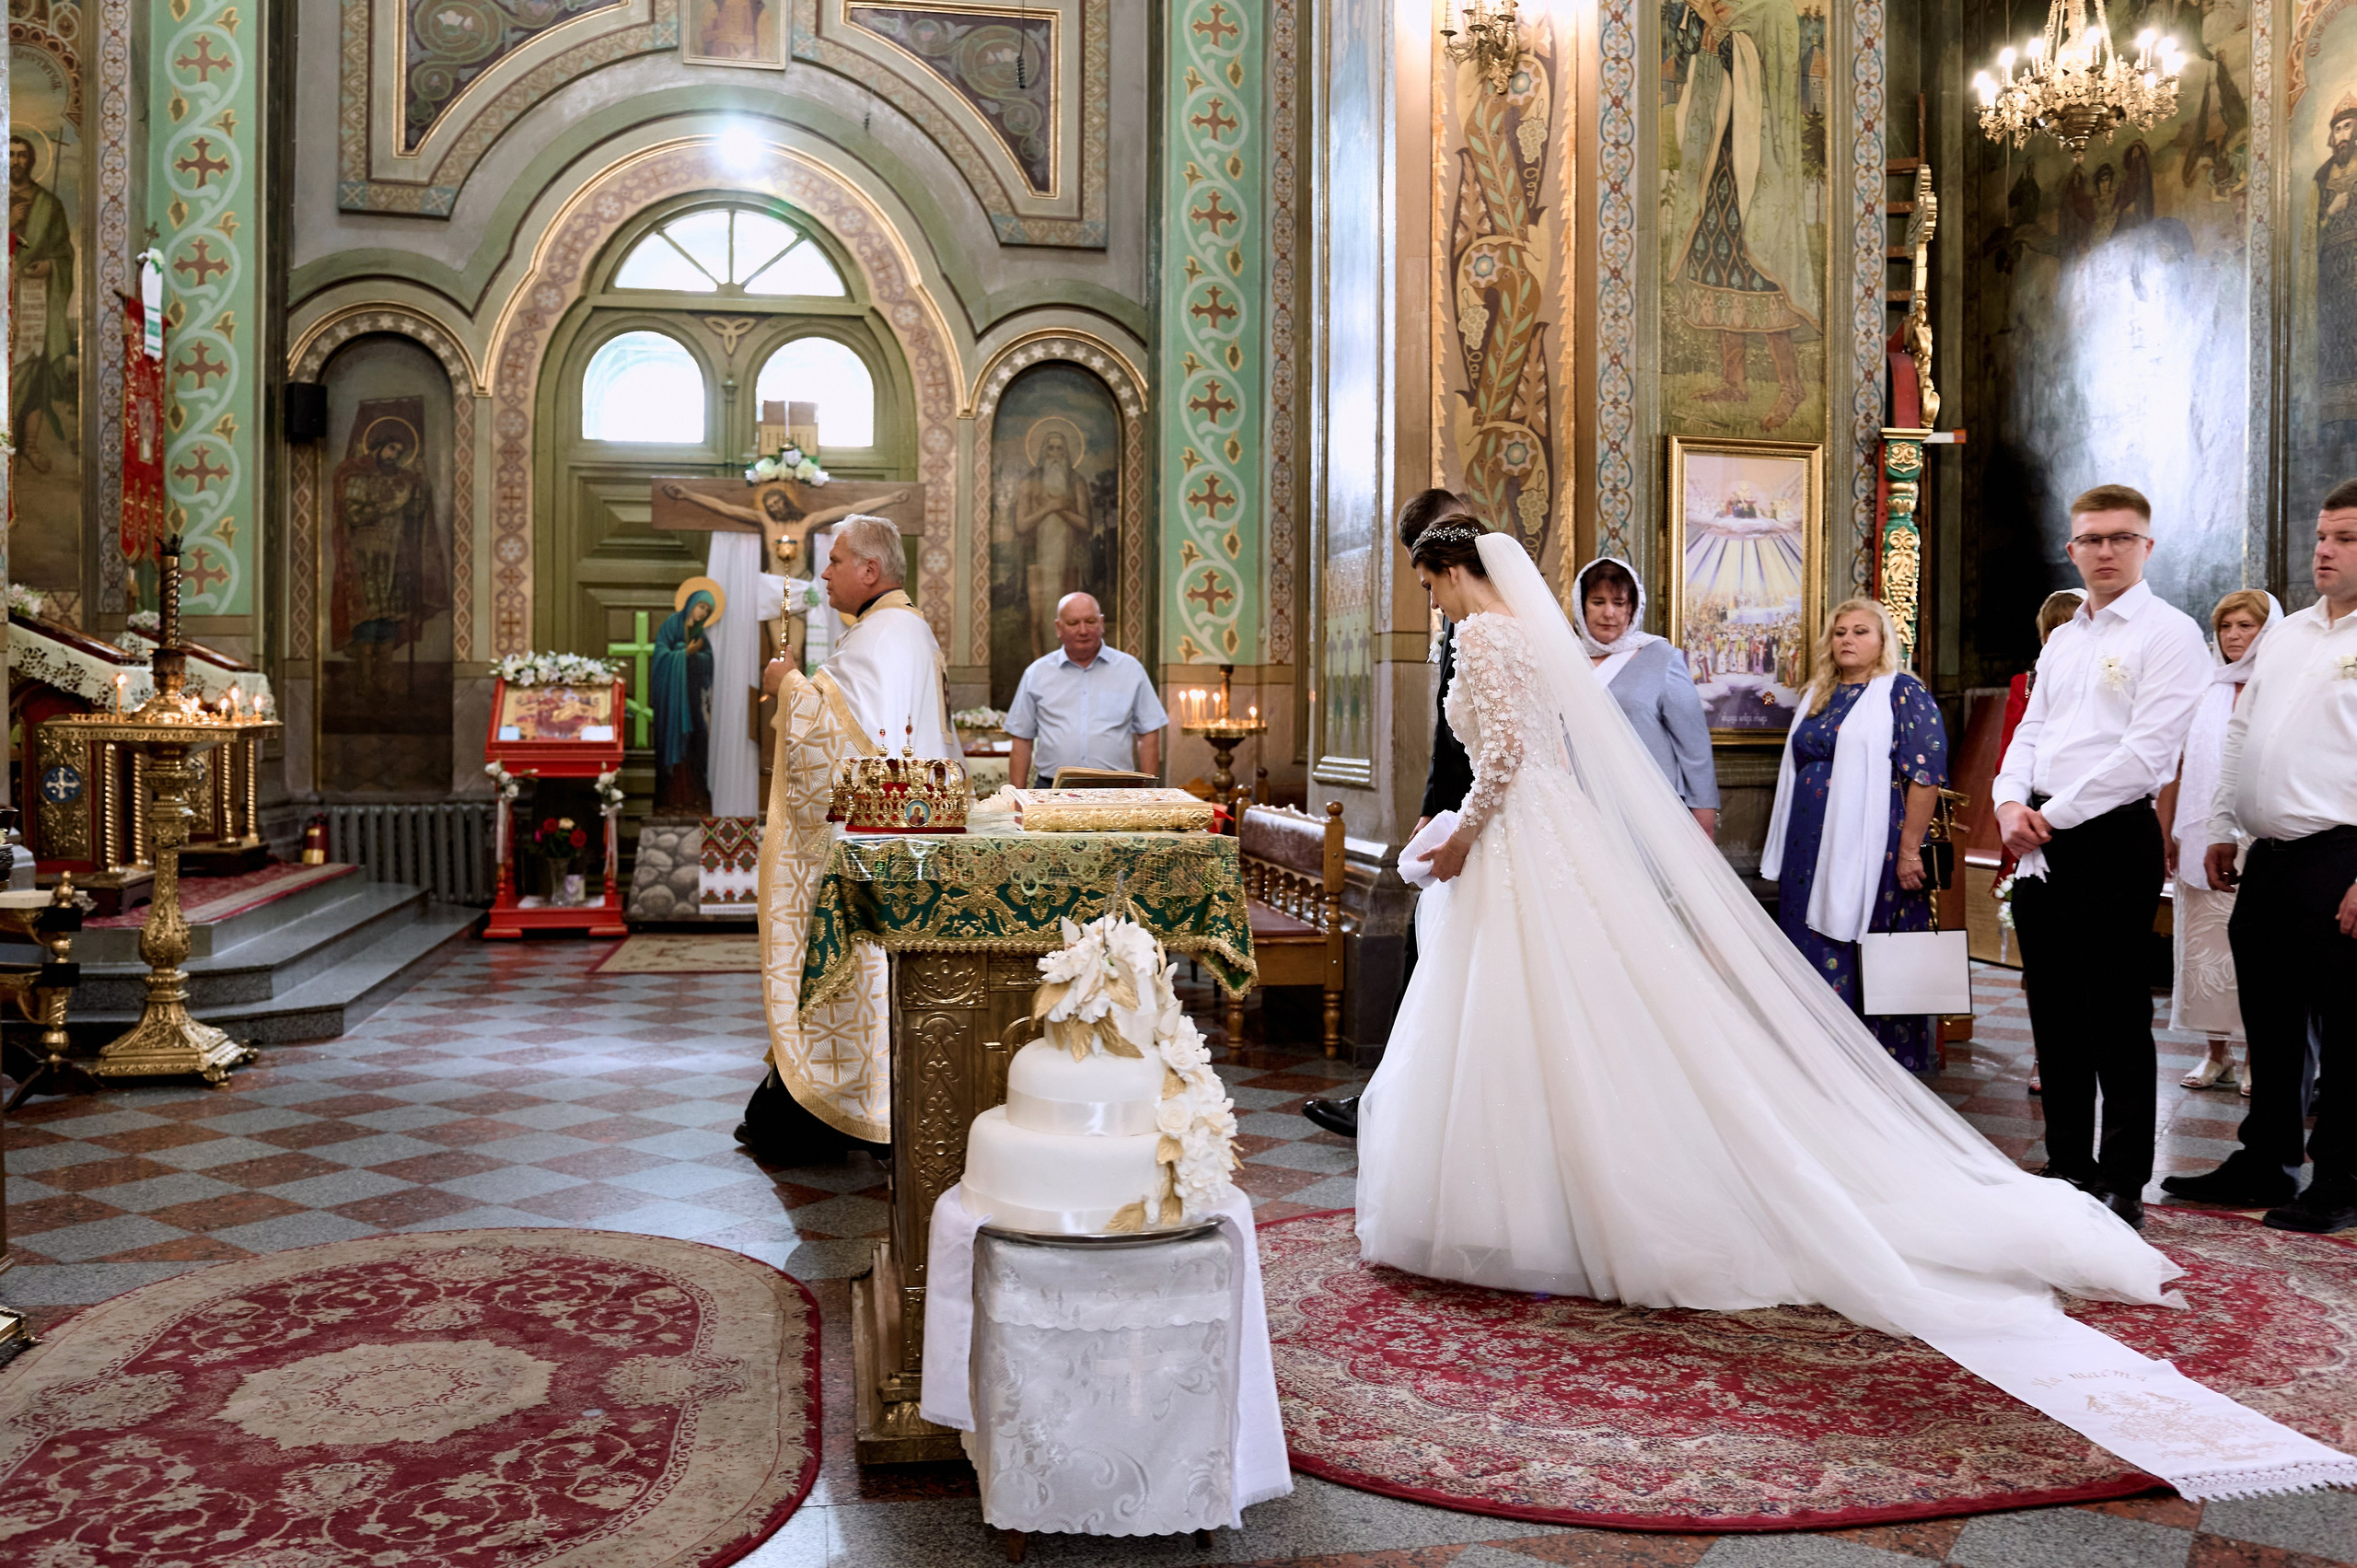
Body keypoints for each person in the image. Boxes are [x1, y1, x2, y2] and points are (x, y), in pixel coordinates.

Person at [1352, 523, 2186, 1370]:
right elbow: (1545, 756)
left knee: (1521, 1009)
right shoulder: (1533, 635)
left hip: (1514, 834)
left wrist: (1459, 839)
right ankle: (1556, 1196)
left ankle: (1520, 1204)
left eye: (1430, 584)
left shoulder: (1484, 635)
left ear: (1451, 569)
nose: (1433, 602)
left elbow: (1500, 760)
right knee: (1567, 1005)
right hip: (1550, 829)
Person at [1994, 484, 2210, 1230]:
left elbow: (2146, 754)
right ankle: (2066, 1162)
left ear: (2147, 546)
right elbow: (2029, 731)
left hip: (2111, 836)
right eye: (2092, 538)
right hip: (2039, 838)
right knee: (2053, 1011)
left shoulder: (2170, 633)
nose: (2106, 550)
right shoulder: (2063, 638)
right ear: (2073, 549)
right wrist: (2007, 803)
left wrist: (2044, 818)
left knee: (2116, 1014)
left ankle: (2122, 1176)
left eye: (2121, 538)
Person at [2162, 490, 2357, 1235]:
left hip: (2343, 853)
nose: (2324, 550)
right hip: (2269, 856)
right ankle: (2267, 1159)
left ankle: (2343, 1177)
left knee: (2347, 1028)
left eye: (2345, 538)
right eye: (2322, 535)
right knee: (2271, 1020)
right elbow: (2241, 732)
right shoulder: (2291, 633)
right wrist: (2221, 825)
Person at [741, 515, 957, 1163]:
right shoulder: (905, 628)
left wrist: (787, 686)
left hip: (871, 840)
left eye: (835, 560)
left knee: (859, 974)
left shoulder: (883, 635)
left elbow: (838, 746)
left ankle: (847, 1109)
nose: (825, 573)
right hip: (904, 833)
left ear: (870, 569)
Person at [1303, 488, 1475, 1140]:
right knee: (1432, 955)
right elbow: (1448, 731)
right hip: (1463, 811)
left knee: (1431, 955)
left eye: (1426, 578)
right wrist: (1433, 807)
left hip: (1478, 819)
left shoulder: (1482, 621)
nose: (1428, 597)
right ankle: (1395, 1102)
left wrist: (1447, 816)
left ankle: (1396, 1107)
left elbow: (1475, 743)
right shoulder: (1476, 611)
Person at [1760, 598, 1949, 1071]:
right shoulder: (1818, 694)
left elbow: (1925, 775)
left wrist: (1910, 851)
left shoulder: (1902, 692)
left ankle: (1875, 1063)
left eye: (1861, 631)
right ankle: (1815, 1056)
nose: (1848, 639)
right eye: (1840, 632)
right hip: (1808, 844)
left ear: (1883, 641)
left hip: (1875, 844)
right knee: (1808, 936)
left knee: (1871, 940)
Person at [2154, 589, 2280, 1097]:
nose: (2233, 636)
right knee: (2206, 950)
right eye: (2225, 626)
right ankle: (2216, 1054)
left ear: (2268, 631)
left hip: (2258, 835)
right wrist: (2166, 831)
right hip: (2199, 834)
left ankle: (2255, 1056)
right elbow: (2175, 764)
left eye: (2245, 626)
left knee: (2259, 950)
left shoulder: (2279, 685)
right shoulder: (2203, 687)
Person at [1999, 587, 2086, 1096]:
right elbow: (2012, 749)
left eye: (2068, 625)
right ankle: (2044, 1053)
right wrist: (2011, 810)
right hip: (2026, 823)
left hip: (2081, 819)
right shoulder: (2026, 683)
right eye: (2051, 629)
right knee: (2042, 960)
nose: (2059, 636)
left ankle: (2085, 1052)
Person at [1569, 557, 1718, 836]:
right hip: (1580, 805)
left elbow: (1694, 747)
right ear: (1581, 604)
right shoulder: (1562, 657)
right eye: (1598, 602)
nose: (1609, 613)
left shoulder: (1662, 658)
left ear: (1633, 608)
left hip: (1648, 809)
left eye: (1619, 603)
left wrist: (1704, 814)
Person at [1004, 593, 1167, 786]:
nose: (1083, 631)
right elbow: (1022, 739)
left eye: (1090, 621)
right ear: (1058, 628)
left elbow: (1149, 733)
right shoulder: (1037, 673)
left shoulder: (1131, 670)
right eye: (1073, 623)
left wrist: (1149, 792)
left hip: (1117, 789)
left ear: (1101, 623)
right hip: (1051, 789)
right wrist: (1017, 797)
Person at [651, 588, 716, 813]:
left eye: (707, 611)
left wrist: (696, 656)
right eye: (701, 607)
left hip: (691, 697)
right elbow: (660, 655)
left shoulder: (701, 633)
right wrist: (683, 653)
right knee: (675, 738)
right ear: (691, 603)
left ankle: (695, 797)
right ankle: (670, 799)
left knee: (695, 742)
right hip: (672, 698)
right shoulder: (672, 624)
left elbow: (708, 660)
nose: (702, 613)